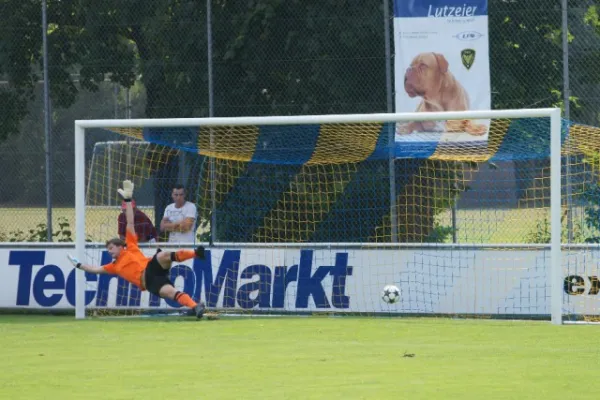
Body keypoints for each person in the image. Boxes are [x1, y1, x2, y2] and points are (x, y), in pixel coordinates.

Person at [67, 180, 206, 319]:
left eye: (111, 248)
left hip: (151, 268)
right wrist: (78, 265)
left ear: (121, 246)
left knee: (163, 255)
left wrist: (128, 200)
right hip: (150, 282)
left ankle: (196, 253)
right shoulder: (114, 266)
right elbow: (94, 269)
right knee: (171, 293)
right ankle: (195, 307)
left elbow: (130, 221)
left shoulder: (131, 246)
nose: (109, 251)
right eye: (108, 249)